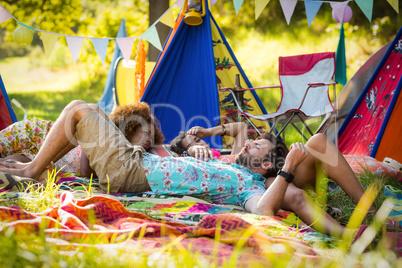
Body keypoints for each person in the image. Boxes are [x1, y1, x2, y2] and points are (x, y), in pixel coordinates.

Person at [0, 100, 364, 237]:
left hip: (134, 172)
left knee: (82, 110)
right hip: (137, 163)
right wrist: (205, 133)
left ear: (267, 162)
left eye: (258, 144)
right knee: (80, 113)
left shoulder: (248, 186)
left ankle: (31, 169)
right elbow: (238, 130)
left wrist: (286, 171)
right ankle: (28, 167)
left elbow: (269, 210)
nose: (249, 141)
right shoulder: (237, 166)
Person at [0, 102, 164, 178]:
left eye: (151, 136)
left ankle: (30, 168)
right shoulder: (109, 136)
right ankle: (31, 168)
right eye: (145, 132)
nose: (149, 139)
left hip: (44, 158)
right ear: (130, 127)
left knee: (7, 165)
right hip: (37, 135)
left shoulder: (123, 153)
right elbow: (87, 169)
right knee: (92, 108)